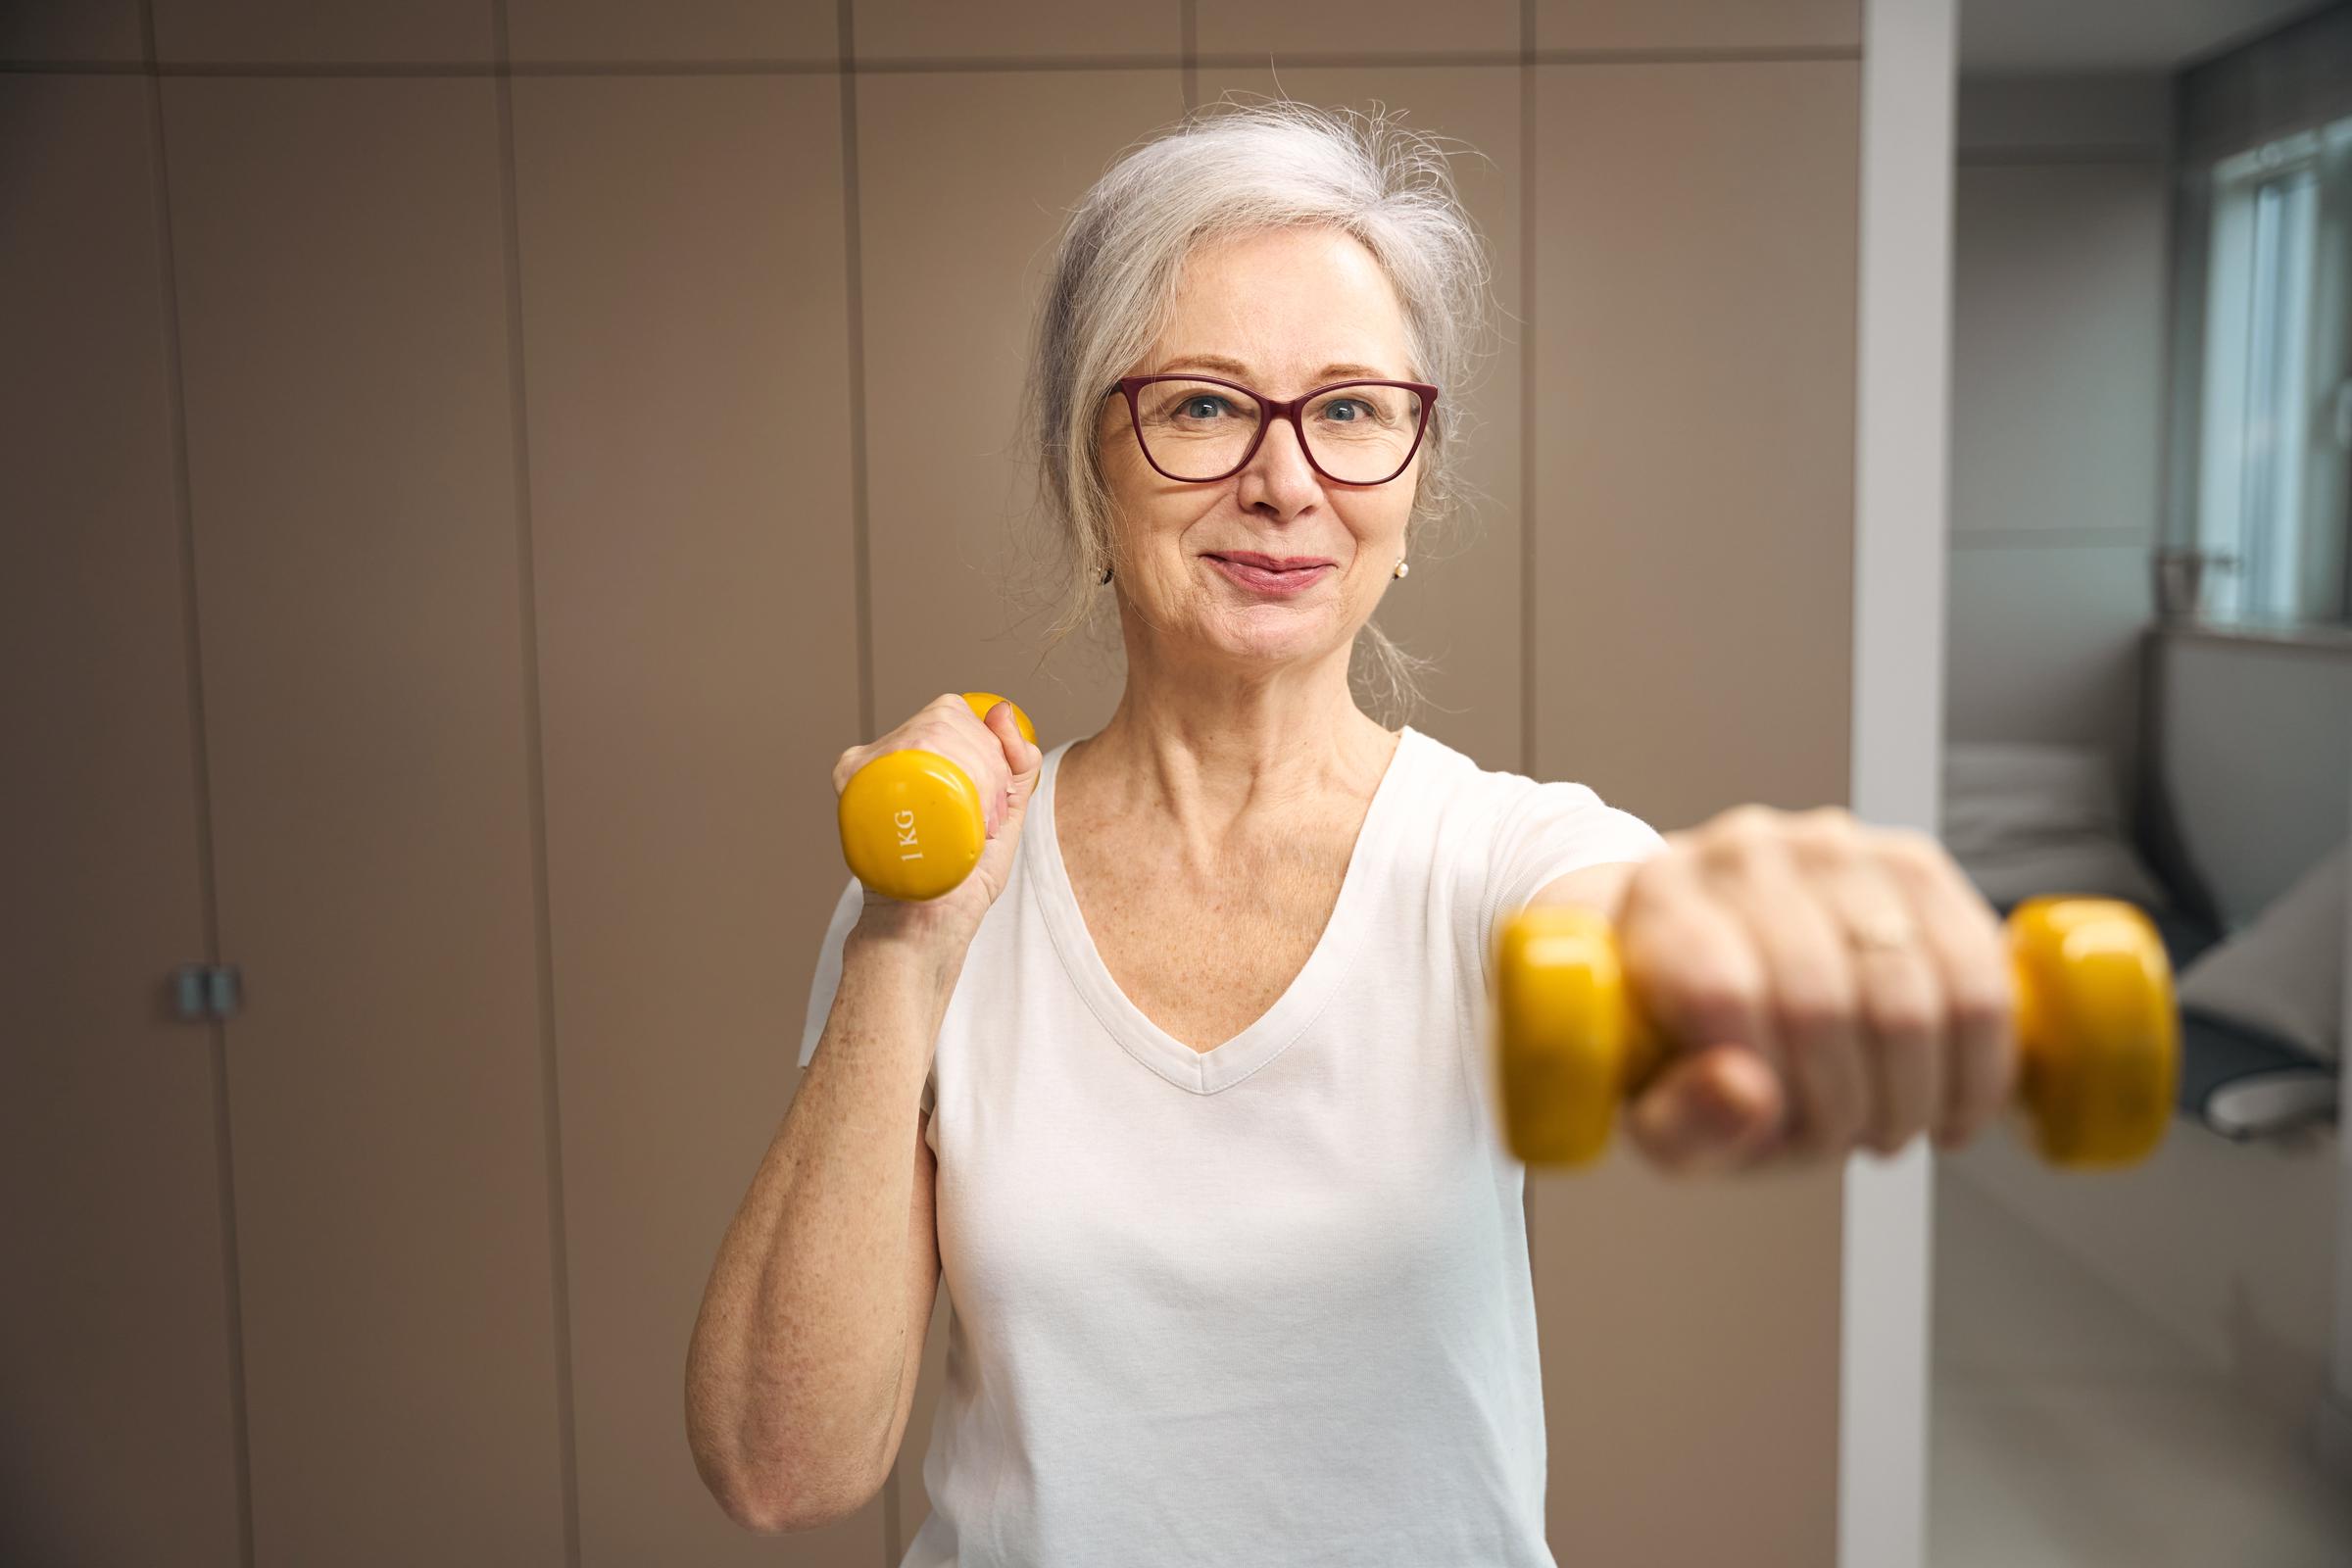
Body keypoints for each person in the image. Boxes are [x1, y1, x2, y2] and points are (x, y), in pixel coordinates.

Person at [685, 102, 2015, 1565]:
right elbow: (780, 1465)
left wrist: (1750, 940)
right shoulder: (943, 894)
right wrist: (907, 939)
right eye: (1200, 404)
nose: (1284, 479)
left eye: (1351, 410)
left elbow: (1635, 932)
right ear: (1092, 461)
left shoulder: (1501, 859)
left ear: (1415, 478)